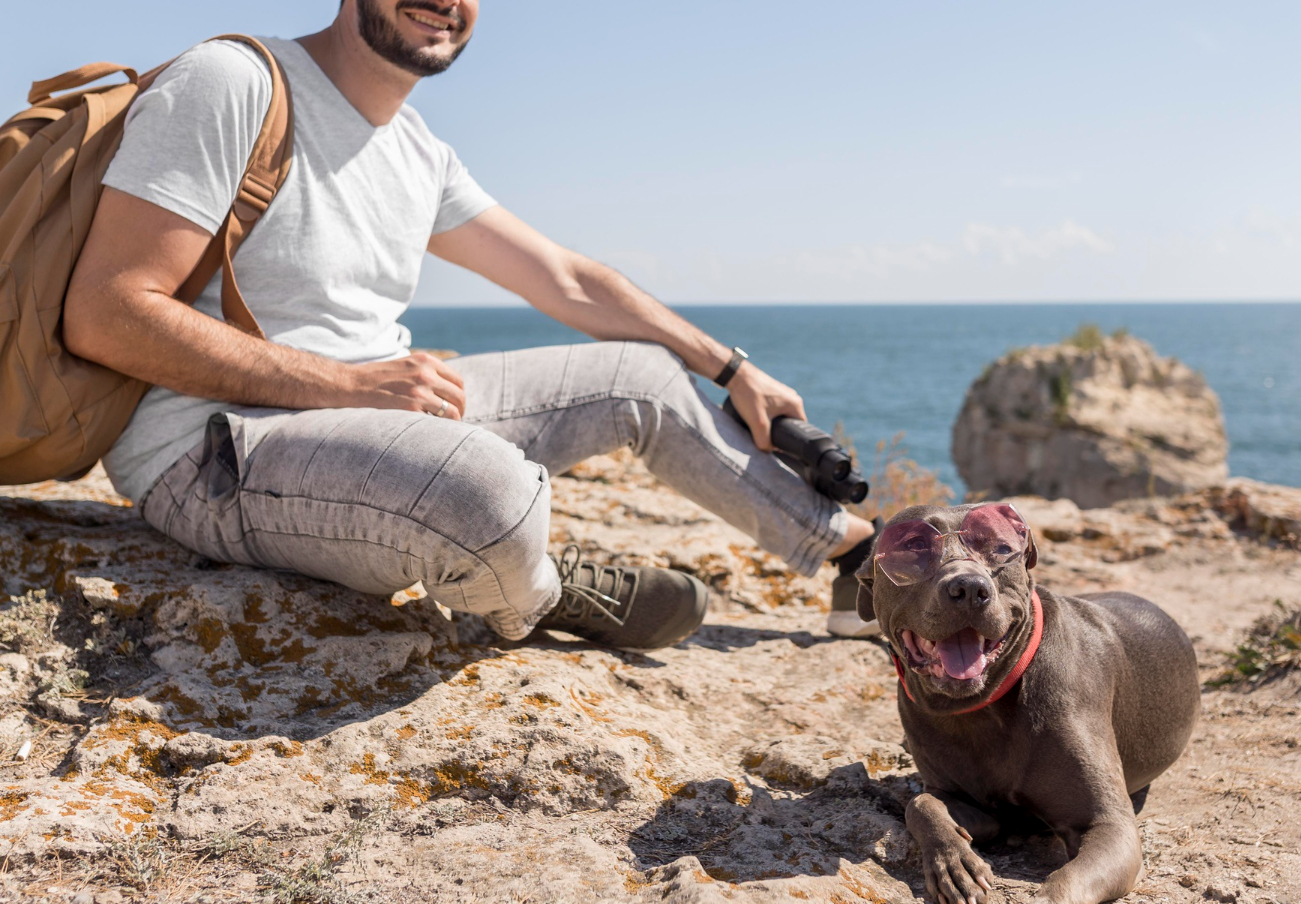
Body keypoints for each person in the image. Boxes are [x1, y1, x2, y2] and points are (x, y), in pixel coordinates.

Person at [62, 0, 879, 652]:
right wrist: (346, 385)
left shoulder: (417, 150)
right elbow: (107, 311)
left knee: (645, 374)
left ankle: (854, 555)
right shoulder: (232, 81)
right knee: (489, 494)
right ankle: (546, 588)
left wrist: (732, 370)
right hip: (214, 455)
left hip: (374, 419)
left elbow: (566, 279)